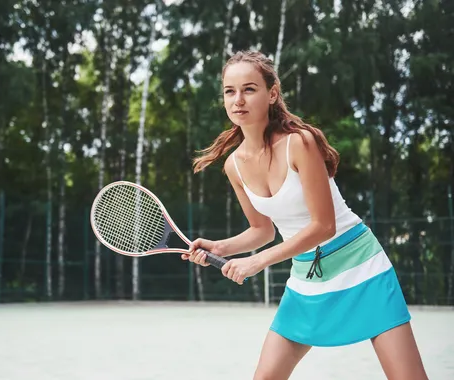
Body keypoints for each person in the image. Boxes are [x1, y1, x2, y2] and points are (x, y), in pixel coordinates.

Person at [181, 50, 428, 380]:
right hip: (307, 280)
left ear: (272, 94)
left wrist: (257, 262)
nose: (238, 99)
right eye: (230, 91)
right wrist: (221, 247)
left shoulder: (300, 143)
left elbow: (324, 225)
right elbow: (262, 230)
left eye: (249, 89)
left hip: (362, 268)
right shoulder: (233, 166)